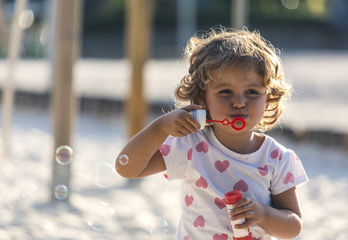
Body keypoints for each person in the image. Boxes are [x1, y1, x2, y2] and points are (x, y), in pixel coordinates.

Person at [116, 27, 308, 240]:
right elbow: (127, 168)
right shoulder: (190, 145)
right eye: (225, 91)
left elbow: (293, 226)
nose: (239, 102)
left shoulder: (277, 158)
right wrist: (160, 127)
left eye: (252, 92)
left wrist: (263, 214)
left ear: (268, 99)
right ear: (202, 98)